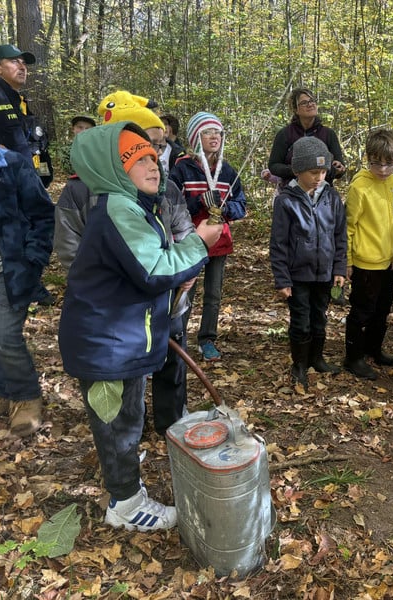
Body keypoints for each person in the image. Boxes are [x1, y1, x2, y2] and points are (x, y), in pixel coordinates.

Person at [58, 121, 222, 531]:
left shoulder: (135, 208)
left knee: (126, 419)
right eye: (136, 159)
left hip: (122, 340)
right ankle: (125, 503)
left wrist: (181, 266)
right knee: (117, 425)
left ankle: (125, 470)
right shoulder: (118, 210)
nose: (152, 165)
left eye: (151, 155)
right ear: (111, 169)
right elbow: (153, 270)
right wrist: (198, 243)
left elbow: (148, 270)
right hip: (106, 346)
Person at [54, 91, 197, 435]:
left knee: (171, 360)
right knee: (126, 380)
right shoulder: (79, 192)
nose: (153, 158)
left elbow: (184, 228)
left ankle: (171, 423)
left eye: (158, 147)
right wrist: (130, 275)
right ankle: (128, 436)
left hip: (169, 294)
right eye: (143, 146)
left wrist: (183, 266)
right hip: (118, 312)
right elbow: (71, 252)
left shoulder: (164, 188)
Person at [0, 102, 54, 435]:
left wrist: (32, 261)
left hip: (9, 271)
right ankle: (5, 392)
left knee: (4, 336)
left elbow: (42, 215)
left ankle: (27, 397)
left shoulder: (9, 165)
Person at [270, 137, 347, 391]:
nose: (319, 177)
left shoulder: (332, 198)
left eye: (323, 172)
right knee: (300, 321)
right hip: (298, 275)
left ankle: (317, 358)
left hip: (324, 274)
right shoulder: (286, 201)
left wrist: (338, 269)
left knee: (319, 319)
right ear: (297, 171)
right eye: (313, 172)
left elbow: (339, 236)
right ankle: (299, 364)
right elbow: (279, 243)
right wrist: (282, 279)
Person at [170, 111, 247, 362]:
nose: (214, 137)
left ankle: (207, 340)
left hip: (219, 241)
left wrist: (225, 209)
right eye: (207, 132)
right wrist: (198, 201)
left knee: (213, 293)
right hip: (189, 241)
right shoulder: (182, 169)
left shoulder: (228, 172)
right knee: (185, 290)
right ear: (195, 137)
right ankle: (176, 339)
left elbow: (241, 207)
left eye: (218, 132)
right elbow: (171, 206)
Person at [343, 129, 393, 380]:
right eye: (377, 162)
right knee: (361, 312)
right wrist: (346, 261)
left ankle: (374, 349)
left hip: (387, 261)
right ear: (368, 157)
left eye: (390, 163)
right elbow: (348, 226)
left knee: (382, 310)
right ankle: (353, 357)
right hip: (364, 262)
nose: (383, 169)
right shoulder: (360, 186)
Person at [0, 44, 52, 187]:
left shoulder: (19, 101)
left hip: (26, 183)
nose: (22, 67)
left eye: (23, 63)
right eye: (14, 61)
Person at [267, 88, 346, 189]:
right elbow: (274, 166)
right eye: (304, 103)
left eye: (312, 101)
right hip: (292, 193)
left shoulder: (328, 134)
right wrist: (298, 169)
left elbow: (340, 169)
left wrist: (337, 169)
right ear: (295, 109)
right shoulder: (285, 134)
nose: (310, 104)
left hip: (322, 194)